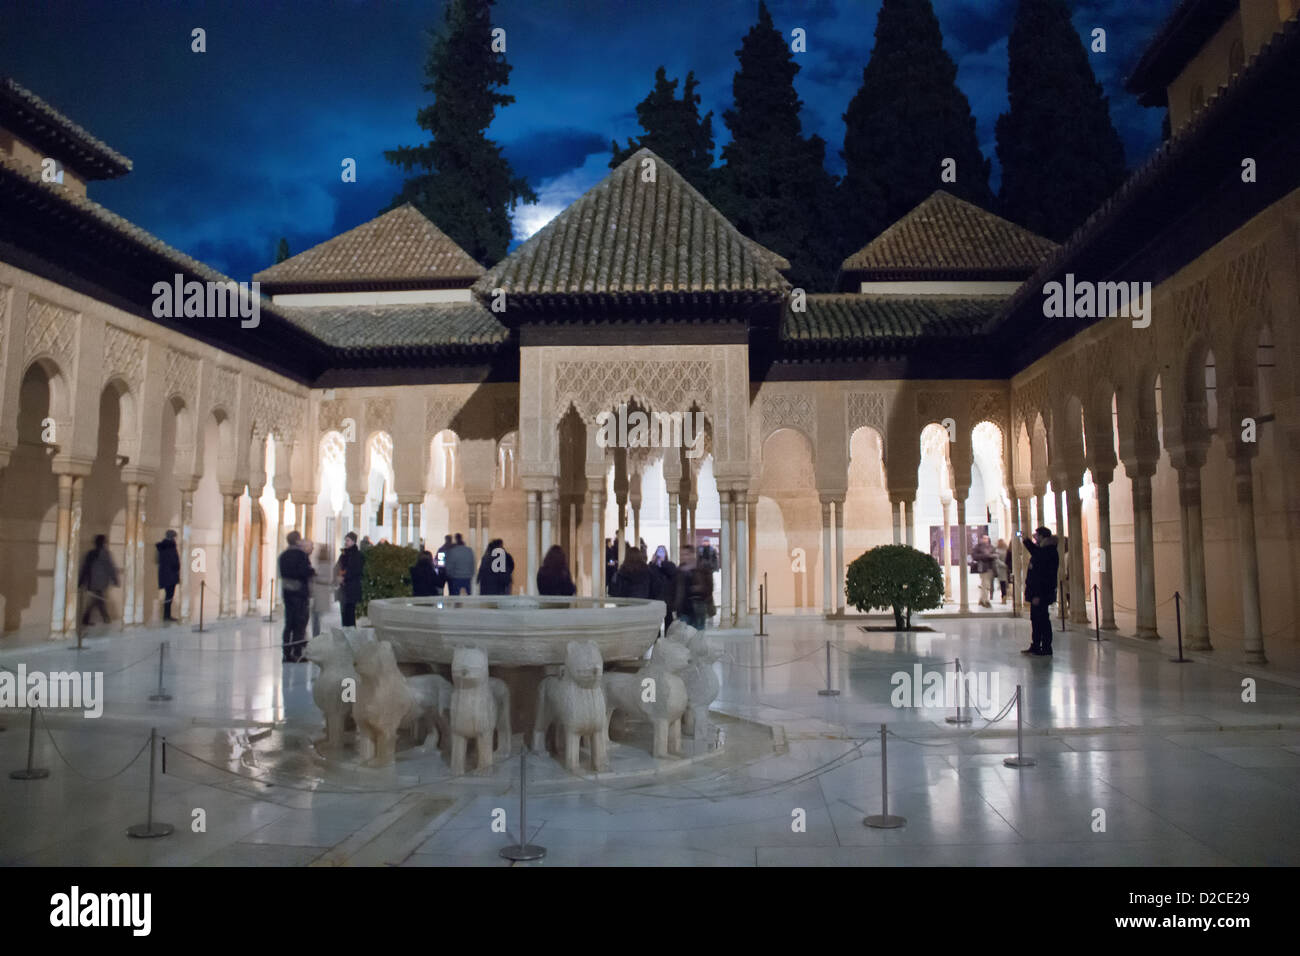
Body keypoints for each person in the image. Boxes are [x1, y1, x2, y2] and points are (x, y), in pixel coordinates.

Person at [1020, 526, 1060, 656]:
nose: (1035, 538)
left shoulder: (1049, 551)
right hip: (1037, 593)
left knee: (1042, 620)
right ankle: (1036, 645)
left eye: (1036, 535)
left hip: (1041, 593)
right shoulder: (1044, 550)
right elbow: (1035, 552)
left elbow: (1043, 577)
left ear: (1043, 536)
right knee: (1036, 619)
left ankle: (1046, 647)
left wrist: (1038, 595)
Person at [278, 531, 314, 662]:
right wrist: (312, 572)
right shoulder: (301, 555)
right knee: (300, 624)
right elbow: (305, 572)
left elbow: (282, 573)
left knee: (289, 624)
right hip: (300, 594)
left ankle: (286, 653)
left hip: (287, 593)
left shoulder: (283, 556)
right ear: (297, 541)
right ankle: (297, 652)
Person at [79, 534, 119, 626]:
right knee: (98, 600)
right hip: (100, 582)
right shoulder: (105, 554)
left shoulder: (91, 553)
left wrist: (81, 581)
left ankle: (104, 618)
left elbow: (85, 568)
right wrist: (115, 580)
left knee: (97, 600)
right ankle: (105, 619)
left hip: (92, 582)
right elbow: (110, 568)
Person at [674, 545, 713, 629]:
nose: (684, 557)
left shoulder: (702, 567)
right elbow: (677, 590)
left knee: (698, 635)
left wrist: (699, 589)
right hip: (684, 607)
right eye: (682, 554)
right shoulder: (680, 569)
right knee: (685, 635)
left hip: (699, 605)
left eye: (686, 554)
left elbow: (710, 586)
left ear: (692, 554)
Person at [337, 532, 364, 627]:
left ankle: (351, 634)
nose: (346, 542)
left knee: (350, 613)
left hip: (351, 588)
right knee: (344, 613)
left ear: (353, 541)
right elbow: (337, 567)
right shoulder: (343, 554)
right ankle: (346, 632)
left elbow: (355, 570)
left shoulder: (357, 555)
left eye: (348, 540)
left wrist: (344, 576)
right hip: (343, 589)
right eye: (345, 540)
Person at [310, 543, 335, 637]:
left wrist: (315, 577)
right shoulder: (323, 564)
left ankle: (316, 635)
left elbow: (327, 579)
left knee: (316, 616)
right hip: (319, 592)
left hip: (321, 593)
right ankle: (316, 634)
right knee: (315, 616)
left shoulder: (325, 565)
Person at [156, 529, 180, 623]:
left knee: (168, 595)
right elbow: (175, 562)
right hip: (171, 575)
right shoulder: (171, 547)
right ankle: (167, 615)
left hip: (164, 575)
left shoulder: (162, 547)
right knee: (169, 595)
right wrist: (177, 569)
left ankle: (166, 615)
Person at [650, 545, 677, 628]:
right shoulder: (652, 566)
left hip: (667, 598)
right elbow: (650, 576)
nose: (660, 554)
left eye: (662, 552)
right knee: (655, 622)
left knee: (668, 621)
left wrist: (663, 563)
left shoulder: (670, 564)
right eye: (659, 551)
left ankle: (668, 638)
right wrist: (652, 563)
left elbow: (672, 572)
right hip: (656, 597)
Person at [973, 534, 995, 608]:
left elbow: (994, 554)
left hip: (990, 567)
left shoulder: (991, 547)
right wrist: (986, 556)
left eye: (987, 538)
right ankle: (985, 600)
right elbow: (975, 556)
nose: (986, 540)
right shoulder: (978, 547)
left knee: (986, 585)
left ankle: (982, 599)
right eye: (984, 538)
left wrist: (992, 556)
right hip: (982, 567)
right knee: (985, 584)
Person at [994, 538, 1010, 605]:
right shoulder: (998, 551)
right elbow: (997, 560)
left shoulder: (1006, 550)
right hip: (1002, 569)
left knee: (1005, 584)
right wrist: (1005, 565)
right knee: (1003, 584)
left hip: (1005, 569)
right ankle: (1004, 597)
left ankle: (1005, 597)